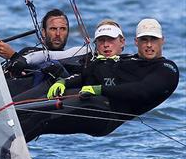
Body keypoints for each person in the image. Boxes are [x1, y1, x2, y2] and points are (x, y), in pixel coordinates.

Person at [14, 18, 179, 141]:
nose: (149, 45)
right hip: (93, 102)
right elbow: (86, 76)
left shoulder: (166, 69)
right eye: (144, 40)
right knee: (30, 107)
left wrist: (100, 89)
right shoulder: (127, 60)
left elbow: (140, 91)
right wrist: (64, 82)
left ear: (162, 41)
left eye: (153, 40)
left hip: (107, 115)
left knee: (41, 115)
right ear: (136, 42)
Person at [0, 9, 89, 95]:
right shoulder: (28, 51)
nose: (58, 34)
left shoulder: (74, 57)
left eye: (62, 29)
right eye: (53, 29)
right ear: (43, 32)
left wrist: (14, 56)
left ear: (68, 32)